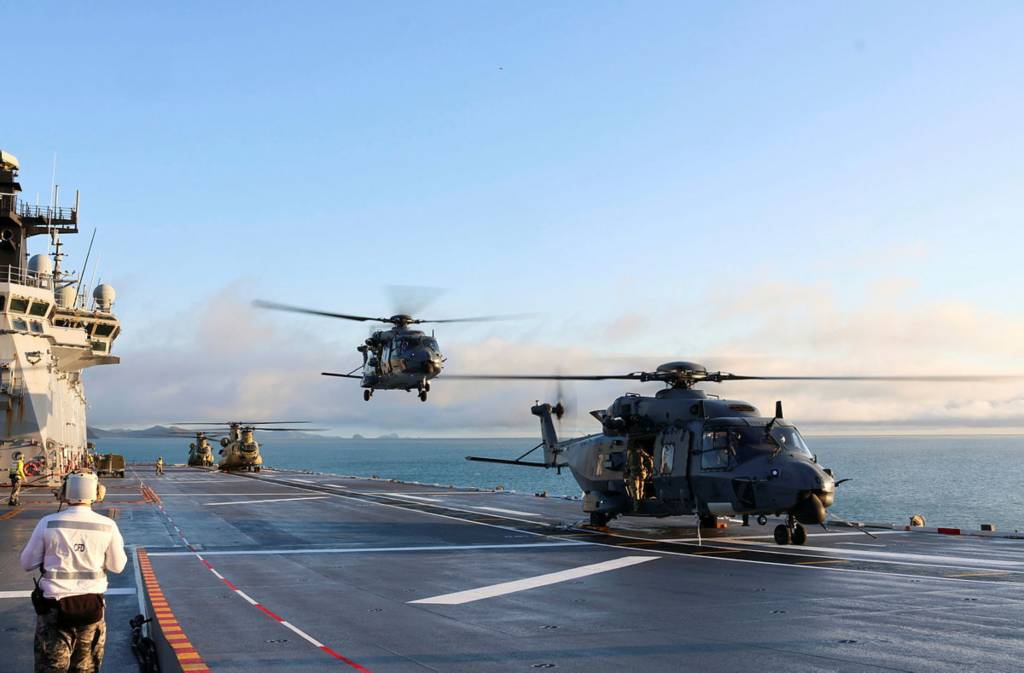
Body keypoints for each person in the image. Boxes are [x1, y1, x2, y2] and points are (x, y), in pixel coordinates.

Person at [20, 471, 126, 673]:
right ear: (97, 493)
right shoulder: (108, 526)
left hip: (53, 611)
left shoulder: (48, 523)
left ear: (64, 493)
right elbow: (118, 566)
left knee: (52, 667)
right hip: (90, 610)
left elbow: (27, 563)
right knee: (85, 668)